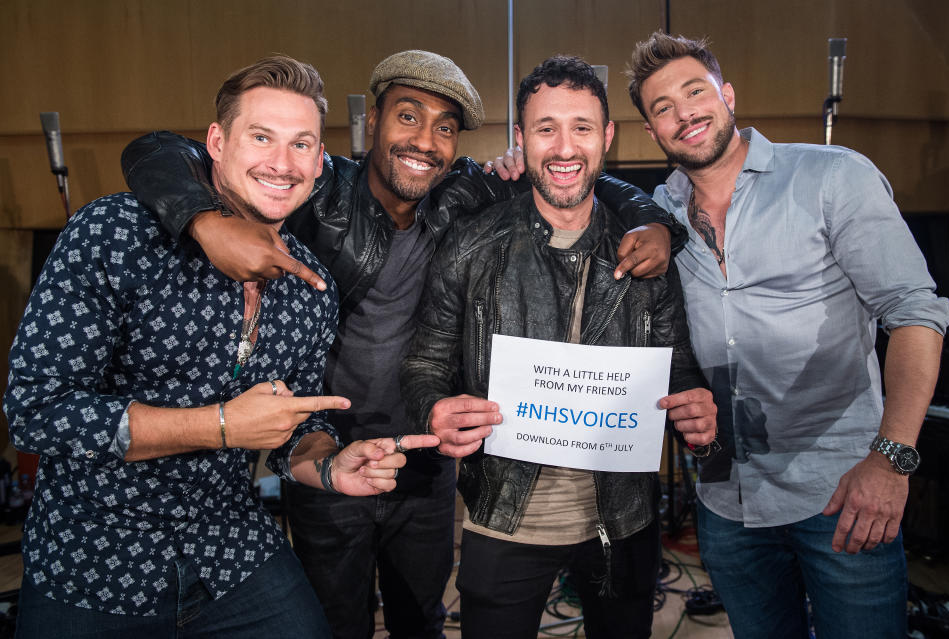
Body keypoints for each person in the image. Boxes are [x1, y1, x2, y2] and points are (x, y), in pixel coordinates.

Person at [119, 51, 686, 639]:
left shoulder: (461, 195)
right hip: (327, 458)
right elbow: (157, 150)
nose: (425, 140)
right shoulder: (318, 187)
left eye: (444, 127)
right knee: (336, 624)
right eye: (408, 117)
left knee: (422, 622)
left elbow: (571, 174)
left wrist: (654, 219)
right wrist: (204, 222)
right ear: (372, 123)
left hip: (424, 461)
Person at [3, 55, 437, 639]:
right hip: (94, 559)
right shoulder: (114, 232)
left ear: (319, 164)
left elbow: (293, 432)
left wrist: (330, 466)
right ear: (216, 141)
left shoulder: (311, 287)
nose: (281, 164)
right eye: (261, 137)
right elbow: (36, 413)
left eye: (301, 144)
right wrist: (222, 426)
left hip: (232, 550)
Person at [622, 32, 949, 638]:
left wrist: (892, 462)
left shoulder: (832, 176)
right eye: (662, 107)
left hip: (844, 493)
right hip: (725, 499)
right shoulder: (661, 210)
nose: (684, 113)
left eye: (695, 92)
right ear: (651, 132)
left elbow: (914, 313)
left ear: (727, 94)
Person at [401, 55, 717, 639]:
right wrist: (432, 409)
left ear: (608, 138)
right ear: (521, 139)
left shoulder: (647, 252)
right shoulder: (471, 247)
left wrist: (694, 407)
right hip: (504, 516)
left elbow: (678, 368)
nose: (564, 147)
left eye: (582, 128)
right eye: (546, 129)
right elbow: (425, 362)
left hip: (623, 518)